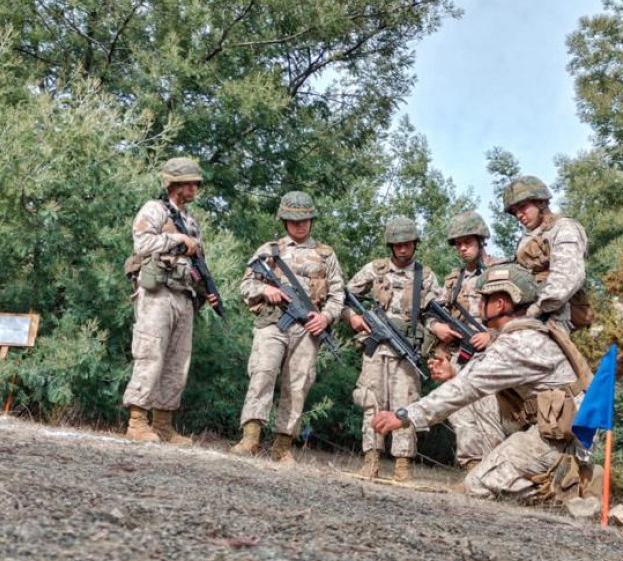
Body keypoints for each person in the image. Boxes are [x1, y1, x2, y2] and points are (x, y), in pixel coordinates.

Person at [372, 264, 595, 500]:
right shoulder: (523, 335)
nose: (479, 306)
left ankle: (568, 490)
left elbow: (468, 387)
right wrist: (454, 372)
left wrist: (404, 416)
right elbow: (478, 378)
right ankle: (533, 472)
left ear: (500, 305)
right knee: (481, 402)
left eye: (484, 300)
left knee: (479, 484)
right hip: (557, 430)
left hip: (564, 441)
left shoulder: (518, 344)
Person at [230, 191, 345, 464]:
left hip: (307, 328)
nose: (300, 225)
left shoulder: (326, 256)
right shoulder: (270, 251)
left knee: (298, 384)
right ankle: (251, 437)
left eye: (305, 219)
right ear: (284, 220)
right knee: (262, 373)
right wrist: (265, 288)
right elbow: (245, 285)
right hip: (273, 322)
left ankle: (283, 445)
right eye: (294, 220)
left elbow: (338, 295)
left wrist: (326, 318)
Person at [122, 156, 219, 444]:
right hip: (157, 292)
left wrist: (206, 290)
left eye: (195, 183)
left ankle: (163, 423)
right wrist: (176, 240)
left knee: (178, 362)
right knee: (150, 352)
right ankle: (137, 420)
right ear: (175, 184)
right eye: (190, 183)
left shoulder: (190, 220)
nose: (194, 188)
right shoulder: (155, 210)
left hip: (184, 294)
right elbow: (142, 243)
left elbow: (196, 260)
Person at [343, 217, 441, 483]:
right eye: (397, 244)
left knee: (405, 404)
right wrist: (353, 318)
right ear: (390, 245)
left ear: (414, 244)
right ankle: (371, 460)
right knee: (371, 402)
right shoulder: (376, 270)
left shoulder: (426, 276)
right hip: (375, 349)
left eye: (407, 244)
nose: (402, 249)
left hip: (406, 351)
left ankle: (402, 465)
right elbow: (343, 294)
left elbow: (438, 313)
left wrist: (431, 337)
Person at [434, 210, 506, 474]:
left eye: (468, 242)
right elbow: (435, 312)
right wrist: (437, 326)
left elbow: (522, 316)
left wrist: (492, 336)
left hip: (493, 355)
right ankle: (471, 470)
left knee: (488, 415)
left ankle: (494, 473)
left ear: (480, 241)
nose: (463, 248)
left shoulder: (502, 270)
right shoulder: (454, 280)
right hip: (460, 356)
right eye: (459, 244)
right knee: (460, 413)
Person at [502, 176, 591, 332]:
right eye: (515, 212)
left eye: (522, 207)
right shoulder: (525, 240)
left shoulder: (563, 228)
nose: (519, 215)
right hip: (528, 318)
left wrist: (535, 310)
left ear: (541, 202)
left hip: (555, 317)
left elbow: (567, 277)